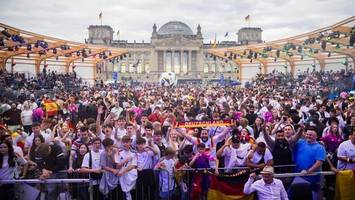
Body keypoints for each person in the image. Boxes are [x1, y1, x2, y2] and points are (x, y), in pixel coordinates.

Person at [293, 126, 326, 200]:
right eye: (307, 134)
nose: (308, 136)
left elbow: (319, 163)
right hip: (297, 175)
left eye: (311, 135)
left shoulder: (319, 147)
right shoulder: (300, 142)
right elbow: (291, 141)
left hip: (311, 179)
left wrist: (308, 171)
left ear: (316, 136)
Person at [115, 135, 138, 200]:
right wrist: (124, 161)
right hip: (122, 177)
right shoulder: (119, 152)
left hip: (131, 176)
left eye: (127, 142)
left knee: (133, 193)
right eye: (124, 142)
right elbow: (117, 166)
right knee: (124, 194)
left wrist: (124, 170)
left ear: (130, 142)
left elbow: (133, 165)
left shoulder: (133, 153)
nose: (125, 144)